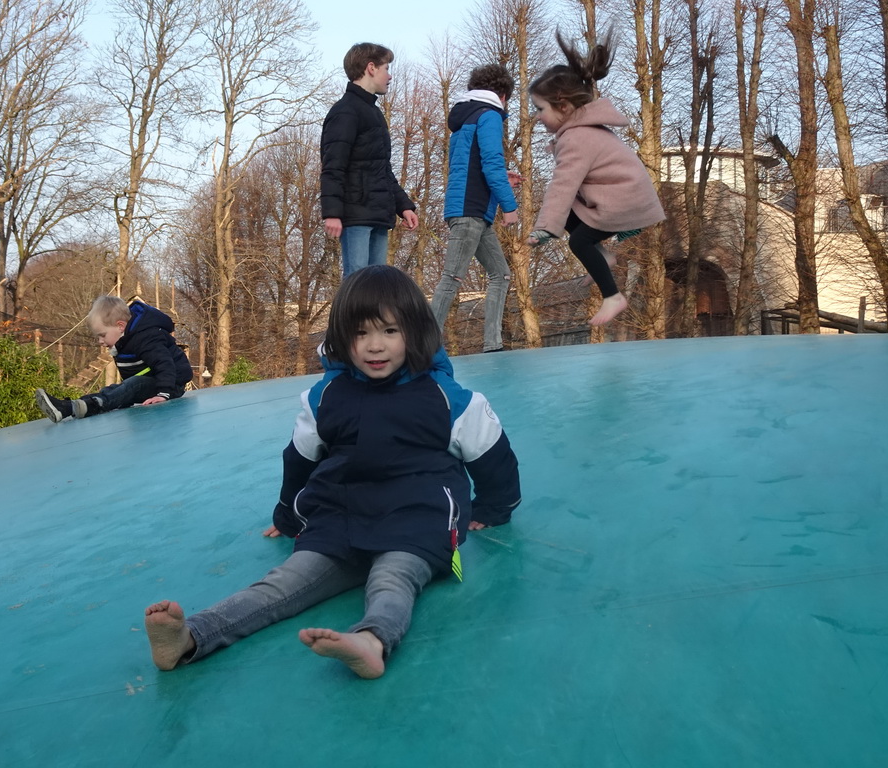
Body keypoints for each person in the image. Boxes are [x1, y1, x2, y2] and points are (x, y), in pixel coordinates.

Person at [144, 265, 521, 679]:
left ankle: (372, 640)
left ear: (416, 332)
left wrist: (494, 507)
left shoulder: (448, 398)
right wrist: (286, 515)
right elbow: (300, 460)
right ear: (342, 337)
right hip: (340, 518)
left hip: (418, 519)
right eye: (360, 333)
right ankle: (192, 636)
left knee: (393, 581)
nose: (374, 346)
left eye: (390, 332)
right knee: (282, 583)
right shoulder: (325, 396)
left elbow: (492, 456)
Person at [527, 30, 665, 326]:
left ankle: (613, 296)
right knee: (568, 218)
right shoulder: (583, 130)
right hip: (622, 195)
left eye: (541, 109)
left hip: (623, 201)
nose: (537, 117)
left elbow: (562, 186)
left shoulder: (576, 138)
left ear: (563, 107)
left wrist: (543, 229)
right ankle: (604, 255)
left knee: (578, 242)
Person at [430, 64, 521, 354]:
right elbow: (491, 164)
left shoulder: (466, 117)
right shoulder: (490, 115)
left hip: (472, 211)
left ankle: (492, 345)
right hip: (470, 212)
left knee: (501, 274)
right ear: (503, 94)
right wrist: (509, 206)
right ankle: (422, 346)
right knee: (452, 277)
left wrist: (503, 178)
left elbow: (470, 165)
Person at [321, 43, 419, 277]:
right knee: (356, 282)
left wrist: (403, 206)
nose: (390, 75)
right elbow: (333, 165)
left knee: (378, 285)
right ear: (371, 68)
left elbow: (382, 169)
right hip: (355, 214)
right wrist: (332, 213)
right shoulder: (345, 112)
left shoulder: (374, 114)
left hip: (379, 214)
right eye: (387, 68)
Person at [35, 296, 193, 423]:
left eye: (102, 335)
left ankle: (94, 405)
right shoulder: (123, 341)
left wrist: (163, 393)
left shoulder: (146, 337)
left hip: (170, 386)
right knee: (113, 389)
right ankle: (68, 407)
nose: (100, 341)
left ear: (120, 326)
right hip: (150, 383)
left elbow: (164, 364)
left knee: (132, 385)